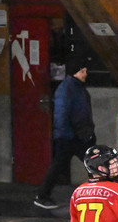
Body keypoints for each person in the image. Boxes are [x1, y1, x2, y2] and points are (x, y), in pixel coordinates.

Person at [35, 57, 95, 210]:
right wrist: (70, 135)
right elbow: (63, 115)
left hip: (77, 136)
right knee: (92, 163)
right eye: (83, 71)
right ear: (75, 72)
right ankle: (42, 195)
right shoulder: (68, 89)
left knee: (87, 163)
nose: (85, 74)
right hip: (70, 137)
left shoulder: (75, 87)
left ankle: (43, 195)